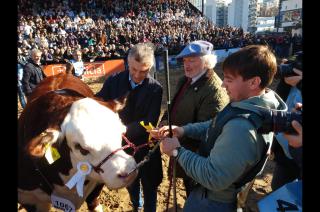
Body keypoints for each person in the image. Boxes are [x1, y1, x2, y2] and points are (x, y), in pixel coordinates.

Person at [151, 45, 287, 211]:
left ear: (253, 82)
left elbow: (212, 177)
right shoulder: (247, 105)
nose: (223, 85)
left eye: (229, 79)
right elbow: (216, 124)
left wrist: (177, 151)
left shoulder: (242, 128)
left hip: (213, 201)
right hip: (207, 191)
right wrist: (184, 130)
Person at [95, 42, 163, 212]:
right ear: (127, 62)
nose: (137, 75)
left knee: (149, 185)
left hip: (145, 146)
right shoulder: (113, 81)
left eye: (144, 71)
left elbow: (150, 121)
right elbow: (99, 103)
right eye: (133, 69)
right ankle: (136, 204)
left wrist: (122, 129)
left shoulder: (156, 89)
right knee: (129, 182)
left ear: (150, 68)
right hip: (120, 148)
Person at [160, 40, 229, 197]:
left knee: (195, 194)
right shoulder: (185, 80)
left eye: (192, 60)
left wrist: (177, 143)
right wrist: (164, 122)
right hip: (180, 148)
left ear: (206, 62)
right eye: (185, 60)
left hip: (197, 159)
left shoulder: (214, 90)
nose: (187, 65)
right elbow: (173, 107)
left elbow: (208, 131)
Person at [271, 64, 302, 191]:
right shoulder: (296, 67)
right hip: (285, 151)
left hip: (299, 149)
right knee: (278, 187)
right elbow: (278, 108)